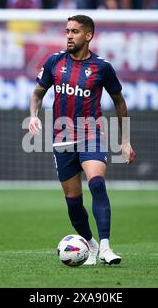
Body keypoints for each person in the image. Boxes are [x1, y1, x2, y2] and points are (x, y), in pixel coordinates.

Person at [28, 15, 135, 265]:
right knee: (74, 203)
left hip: (91, 134)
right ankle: (92, 245)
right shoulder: (54, 62)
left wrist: (126, 141)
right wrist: (33, 116)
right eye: (67, 31)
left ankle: (107, 247)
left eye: (75, 31)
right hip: (61, 138)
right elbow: (37, 94)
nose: (68, 35)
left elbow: (119, 101)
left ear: (88, 36)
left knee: (97, 184)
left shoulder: (102, 67)